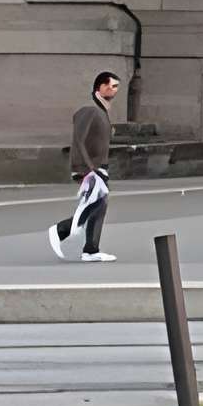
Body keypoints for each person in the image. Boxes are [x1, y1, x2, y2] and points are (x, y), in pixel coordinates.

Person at [46, 69, 121, 262]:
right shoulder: (89, 110)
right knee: (95, 204)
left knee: (99, 205)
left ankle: (91, 249)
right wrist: (88, 170)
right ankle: (61, 230)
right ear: (100, 87)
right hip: (90, 169)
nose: (114, 90)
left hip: (100, 168)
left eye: (116, 87)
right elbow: (78, 140)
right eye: (111, 86)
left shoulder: (102, 112)